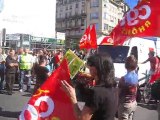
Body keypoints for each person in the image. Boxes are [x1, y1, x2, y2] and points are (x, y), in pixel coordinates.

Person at [61, 53, 118, 120]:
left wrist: (72, 97)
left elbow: (81, 118)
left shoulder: (96, 92)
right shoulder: (114, 88)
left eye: (91, 65)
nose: (89, 68)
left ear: (96, 69)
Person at [118, 55, 138, 120]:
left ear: (126, 65)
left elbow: (118, 93)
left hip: (125, 105)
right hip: (133, 103)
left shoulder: (123, 79)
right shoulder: (136, 76)